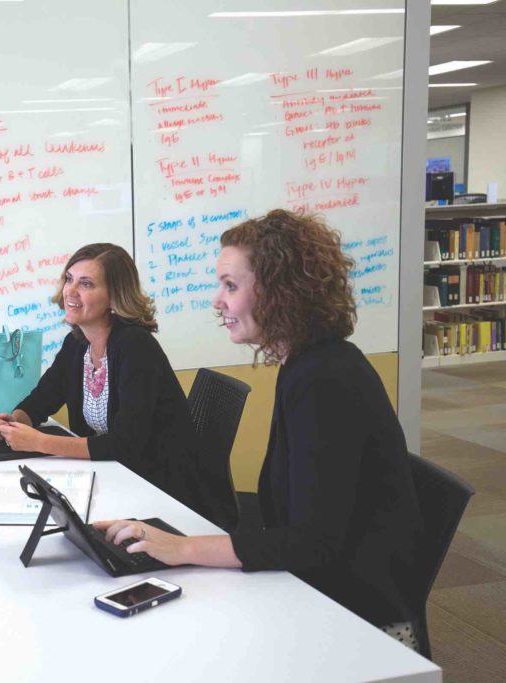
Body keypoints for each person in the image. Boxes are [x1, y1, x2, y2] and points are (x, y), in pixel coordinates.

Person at [94, 210, 423, 647]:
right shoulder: (306, 365)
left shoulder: (324, 381)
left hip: (359, 621)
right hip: (316, 588)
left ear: (279, 292)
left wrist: (183, 548)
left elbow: (312, 543)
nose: (218, 300)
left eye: (231, 285)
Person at [0, 243, 229, 526]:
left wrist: (40, 442)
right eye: (69, 279)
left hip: (165, 494)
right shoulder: (76, 344)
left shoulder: (136, 348)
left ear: (115, 297)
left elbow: (124, 445)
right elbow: (41, 400)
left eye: (86, 283)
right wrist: (13, 422)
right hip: (117, 479)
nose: (71, 291)